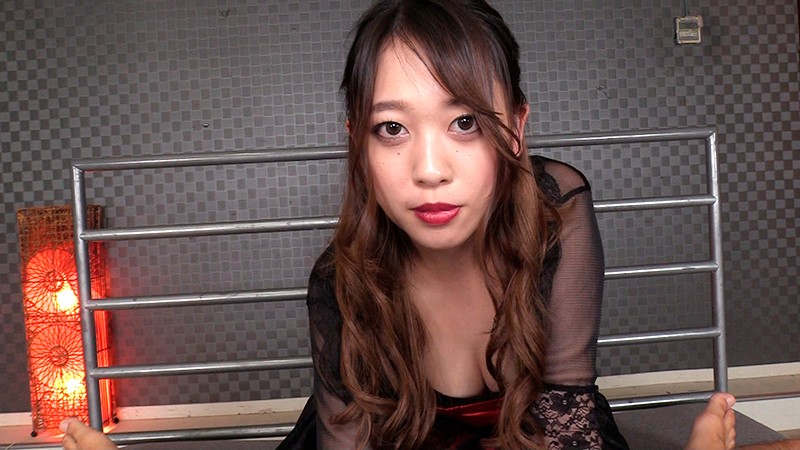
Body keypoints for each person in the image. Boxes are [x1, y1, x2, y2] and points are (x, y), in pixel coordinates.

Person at [59, 1, 797, 449]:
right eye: (391, 129)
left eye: (465, 122)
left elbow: (564, 406)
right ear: (358, 142)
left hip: (536, 426)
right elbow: (350, 439)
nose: (430, 169)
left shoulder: (558, 209)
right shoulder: (339, 282)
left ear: (516, 129)